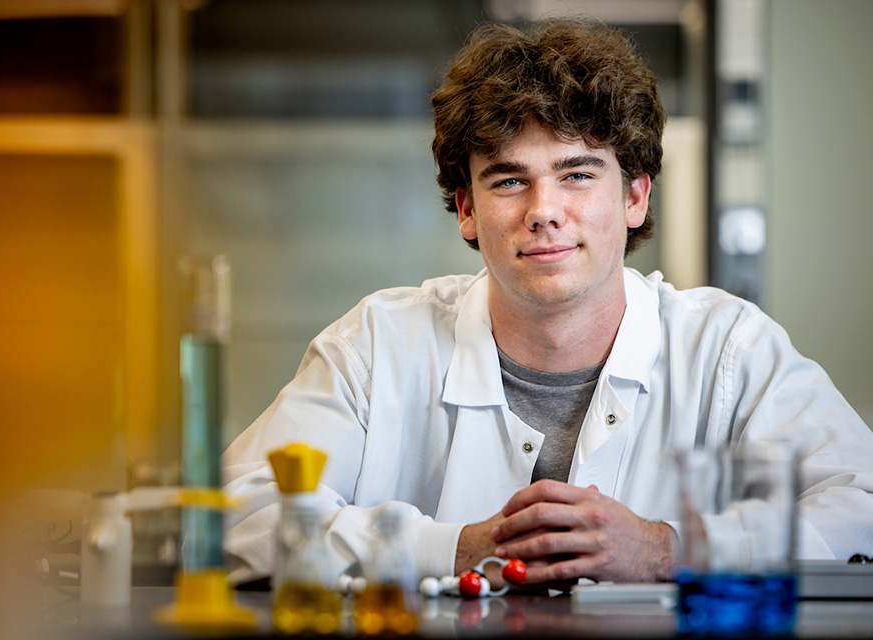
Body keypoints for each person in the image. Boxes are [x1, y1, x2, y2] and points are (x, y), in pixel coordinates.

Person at [221, 18, 873, 588]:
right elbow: (236, 512)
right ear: (469, 210)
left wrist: (666, 550)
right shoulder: (377, 344)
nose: (544, 213)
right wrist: (451, 548)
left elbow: (861, 505)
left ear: (635, 197)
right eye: (510, 180)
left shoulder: (730, 348)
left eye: (578, 174)